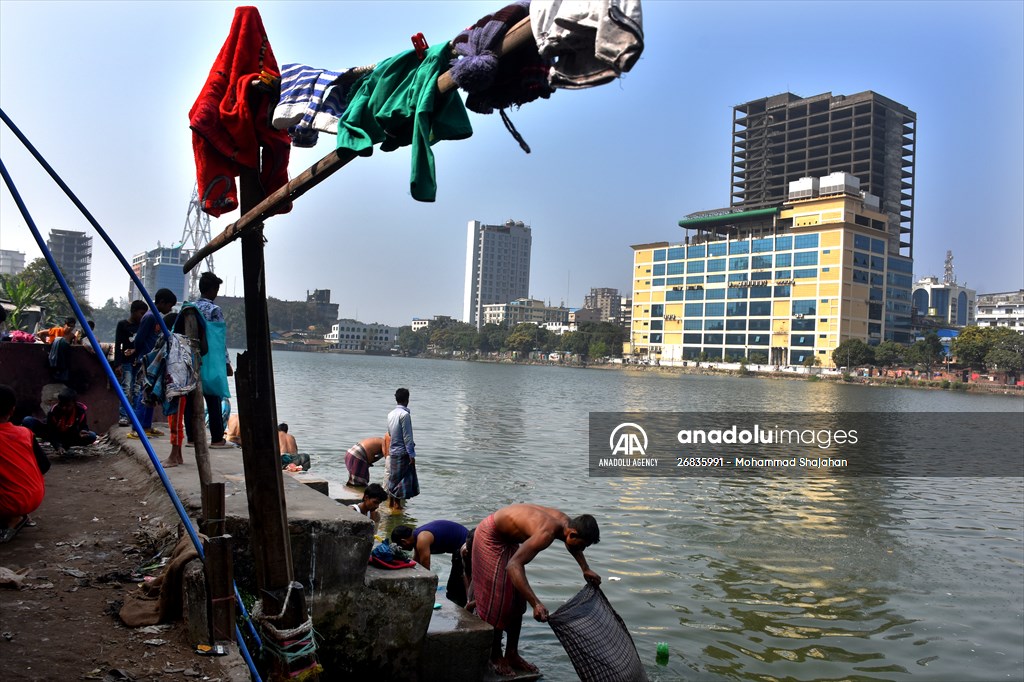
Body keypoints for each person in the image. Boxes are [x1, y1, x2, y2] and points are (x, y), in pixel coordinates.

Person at [472, 504, 601, 677]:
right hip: (490, 536)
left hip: (508, 540)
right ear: (573, 533)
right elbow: (514, 565)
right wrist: (536, 603)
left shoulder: (566, 524)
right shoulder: (547, 532)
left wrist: (585, 568)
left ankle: (512, 653)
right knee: (500, 598)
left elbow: (572, 544)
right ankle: (495, 656)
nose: (582, 550)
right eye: (583, 545)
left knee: (517, 600)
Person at [185, 272, 232, 448]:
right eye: (217, 289)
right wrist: (226, 362)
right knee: (213, 398)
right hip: (211, 359)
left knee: (191, 399)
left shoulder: (190, 307)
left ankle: (191, 438)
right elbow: (219, 339)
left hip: (191, 358)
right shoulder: (214, 310)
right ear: (212, 289)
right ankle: (217, 439)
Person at [0, 384, 50, 543]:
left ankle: (12, 519)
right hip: (34, 496)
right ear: (12, 410)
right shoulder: (25, 432)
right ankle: (19, 514)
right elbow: (44, 465)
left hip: (11, 502)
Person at [129, 289, 176, 439]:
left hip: (153, 361)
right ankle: (137, 429)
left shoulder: (156, 317)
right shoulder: (149, 317)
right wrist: (138, 355)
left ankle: (147, 426)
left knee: (150, 395)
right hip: (147, 360)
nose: (170, 309)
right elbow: (139, 339)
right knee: (143, 395)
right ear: (161, 302)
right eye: (169, 305)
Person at [392, 520, 469, 606]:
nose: (403, 549)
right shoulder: (417, 537)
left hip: (465, 547)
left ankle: (462, 610)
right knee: (455, 585)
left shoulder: (422, 539)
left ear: (404, 542)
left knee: (455, 588)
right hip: (460, 545)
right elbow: (416, 564)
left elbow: (426, 571)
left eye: (401, 547)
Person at [23, 387, 98, 456]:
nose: (63, 408)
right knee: (28, 420)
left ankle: (65, 446)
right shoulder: (53, 412)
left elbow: (84, 426)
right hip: (52, 434)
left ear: (74, 404)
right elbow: (51, 432)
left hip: (69, 436)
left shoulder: (80, 411)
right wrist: (57, 446)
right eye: (61, 405)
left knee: (92, 436)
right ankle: (28, 447)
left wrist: (83, 431)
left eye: (67, 406)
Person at [385, 387, 418, 511]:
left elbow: (389, 433)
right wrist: (412, 455)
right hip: (402, 452)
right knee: (401, 482)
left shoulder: (390, 414)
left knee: (393, 480)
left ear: (396, 399)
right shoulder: (405, 415)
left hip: (393, 451)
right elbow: (407, 437)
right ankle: (397, 509)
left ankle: (390, 505)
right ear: (407, 399)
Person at [114, 301, 146, 427]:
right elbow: (118, 345)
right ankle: (124, 416)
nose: (142, 316)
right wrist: (118, 364)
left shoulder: (143, 325)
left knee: (137, 390)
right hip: (126, 362)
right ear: (133, 311)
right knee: (126, 388)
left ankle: (134, 415)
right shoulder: (123, 325)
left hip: (138, 362)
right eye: (141, 313)